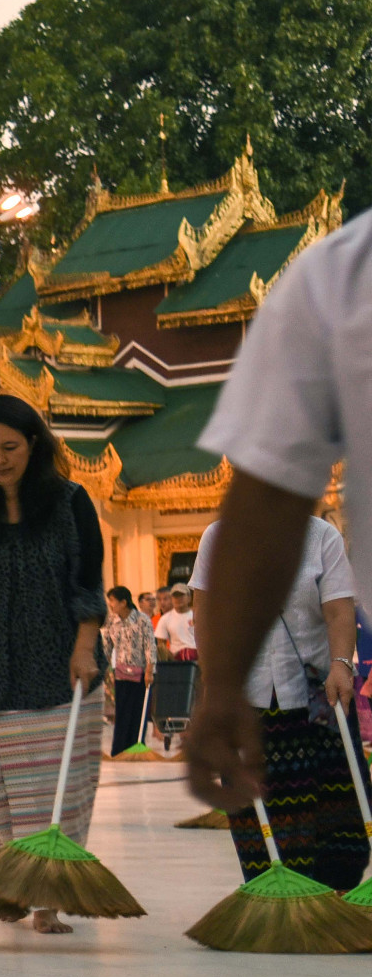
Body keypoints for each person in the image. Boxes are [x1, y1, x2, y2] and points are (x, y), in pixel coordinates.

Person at [183, 212, 372, 814]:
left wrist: (340, 660)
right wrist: (221, 688)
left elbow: (273, 503)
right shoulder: (338, 277)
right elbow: (267, 506)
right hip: (272, 701)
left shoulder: (337, 272)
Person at [0, 394, 106, 936]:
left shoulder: (70, 501)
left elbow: (87, 581)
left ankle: (46, 899)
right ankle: (12, 877)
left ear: (34, 444)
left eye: (10, 447)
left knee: (57, 786)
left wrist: (84, 646)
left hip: (58, 661)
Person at [190, 516, 363, 890]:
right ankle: (270, 894)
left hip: (320, 697)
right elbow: (205, 611)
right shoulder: (217, 537)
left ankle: (337, 894)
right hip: (245, 698)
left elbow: (338, 609)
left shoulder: (321, 536)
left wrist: (341, 664)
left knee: (339, 809)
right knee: (254, 809)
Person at [102, 587, 155, 755]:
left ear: (123, 602)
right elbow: (106, 645)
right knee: (122, 712)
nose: (111, 606)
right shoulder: (112, 620)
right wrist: (103, 667)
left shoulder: (142, 619)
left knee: (138, 712)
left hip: (141, 673)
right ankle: (119, 750)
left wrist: (149, 670)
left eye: (113, 602)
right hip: (121, 673)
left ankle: (136, 747)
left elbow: (149, 646)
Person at [156, 584, 197, 661]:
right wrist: (172, 659)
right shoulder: (164, 619)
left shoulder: (197, 616)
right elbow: (161, 646)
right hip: (176, 659)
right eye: (175, 596)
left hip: (196, 658)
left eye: (181, 596)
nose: (178, 599)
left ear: (189, 597)